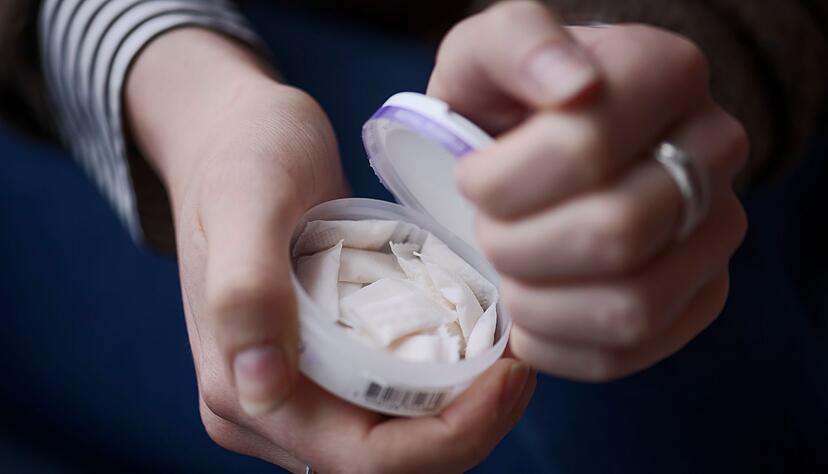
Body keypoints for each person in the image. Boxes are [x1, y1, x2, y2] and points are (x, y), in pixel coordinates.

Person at [0, 0, 825, 472]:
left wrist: (641, 78)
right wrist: (200, 107)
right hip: (161, 37)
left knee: (623, 403)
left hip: (489, 88)